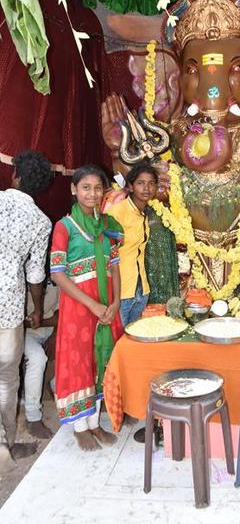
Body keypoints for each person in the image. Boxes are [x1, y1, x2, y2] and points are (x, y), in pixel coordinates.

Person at [50, 165, 124, 452]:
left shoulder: (108, 226)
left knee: (99, 362)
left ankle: (94, 423)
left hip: (106, 308)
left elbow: (114, 267)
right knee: (78, 362)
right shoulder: (65, 227)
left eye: (97, 188)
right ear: (73, 189)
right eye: (85, 187)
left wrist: (115, 302)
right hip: (79, 308)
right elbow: (58, 273)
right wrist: (93, 304)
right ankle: (79, 427)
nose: (92, 193)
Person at [0, 150, 52, 473]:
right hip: (9, 303)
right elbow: (36, 276)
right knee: (6, 377)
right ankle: (4, 446)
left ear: (15, 174)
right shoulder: (41, 221)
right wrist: (35, 309)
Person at [105, 162, 157, 327]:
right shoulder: (117, 212)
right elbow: (104, 251)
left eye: (151, 183)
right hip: (120, 291)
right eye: (141, 183)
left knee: (133, 341)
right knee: (117, 342)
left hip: (141, 290)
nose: (146, 188)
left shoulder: (144, 215)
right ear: (131, 186)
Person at [23, 280, 59, 439]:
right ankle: (33, 417)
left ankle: (56, 386)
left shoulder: (56, 273)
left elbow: (63, 312)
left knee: (74, 346)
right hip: (24, 333)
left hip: (51, 329)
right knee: (38, 358)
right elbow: (17, 323)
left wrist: (55, 334)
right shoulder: (17, 276)